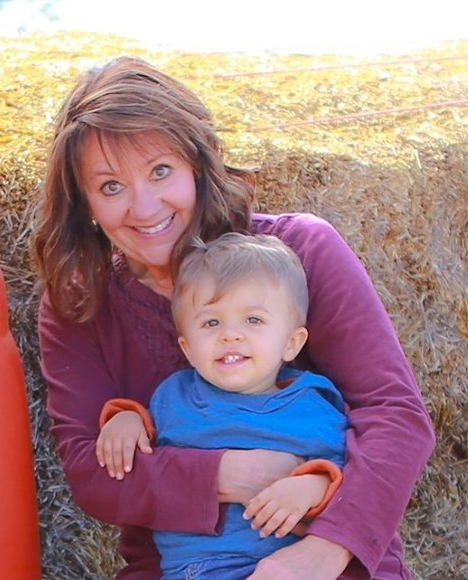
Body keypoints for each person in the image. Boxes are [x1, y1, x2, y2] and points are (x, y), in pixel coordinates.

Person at [33, 55, 435, 579]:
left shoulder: (300, 252)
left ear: (198, 165)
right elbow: (93, 473)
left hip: (330, 554)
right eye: (111, 186)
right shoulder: (80, 303)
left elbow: (394, 415)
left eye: (161, 171)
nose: (144, 207)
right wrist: (230, 472)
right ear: (82, 200)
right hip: (180, 567)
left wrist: (324, 551)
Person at [96, 232, 348, 579]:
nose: (230, 334)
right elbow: (146, 439)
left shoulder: (310, 406)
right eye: (211, 322)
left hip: (282, 566)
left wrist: (313, 486)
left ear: (291, 343)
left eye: (253, 320)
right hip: (193, 571)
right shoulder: (175, 396)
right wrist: (126, 419)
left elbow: (346, 472)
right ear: (187, 348)